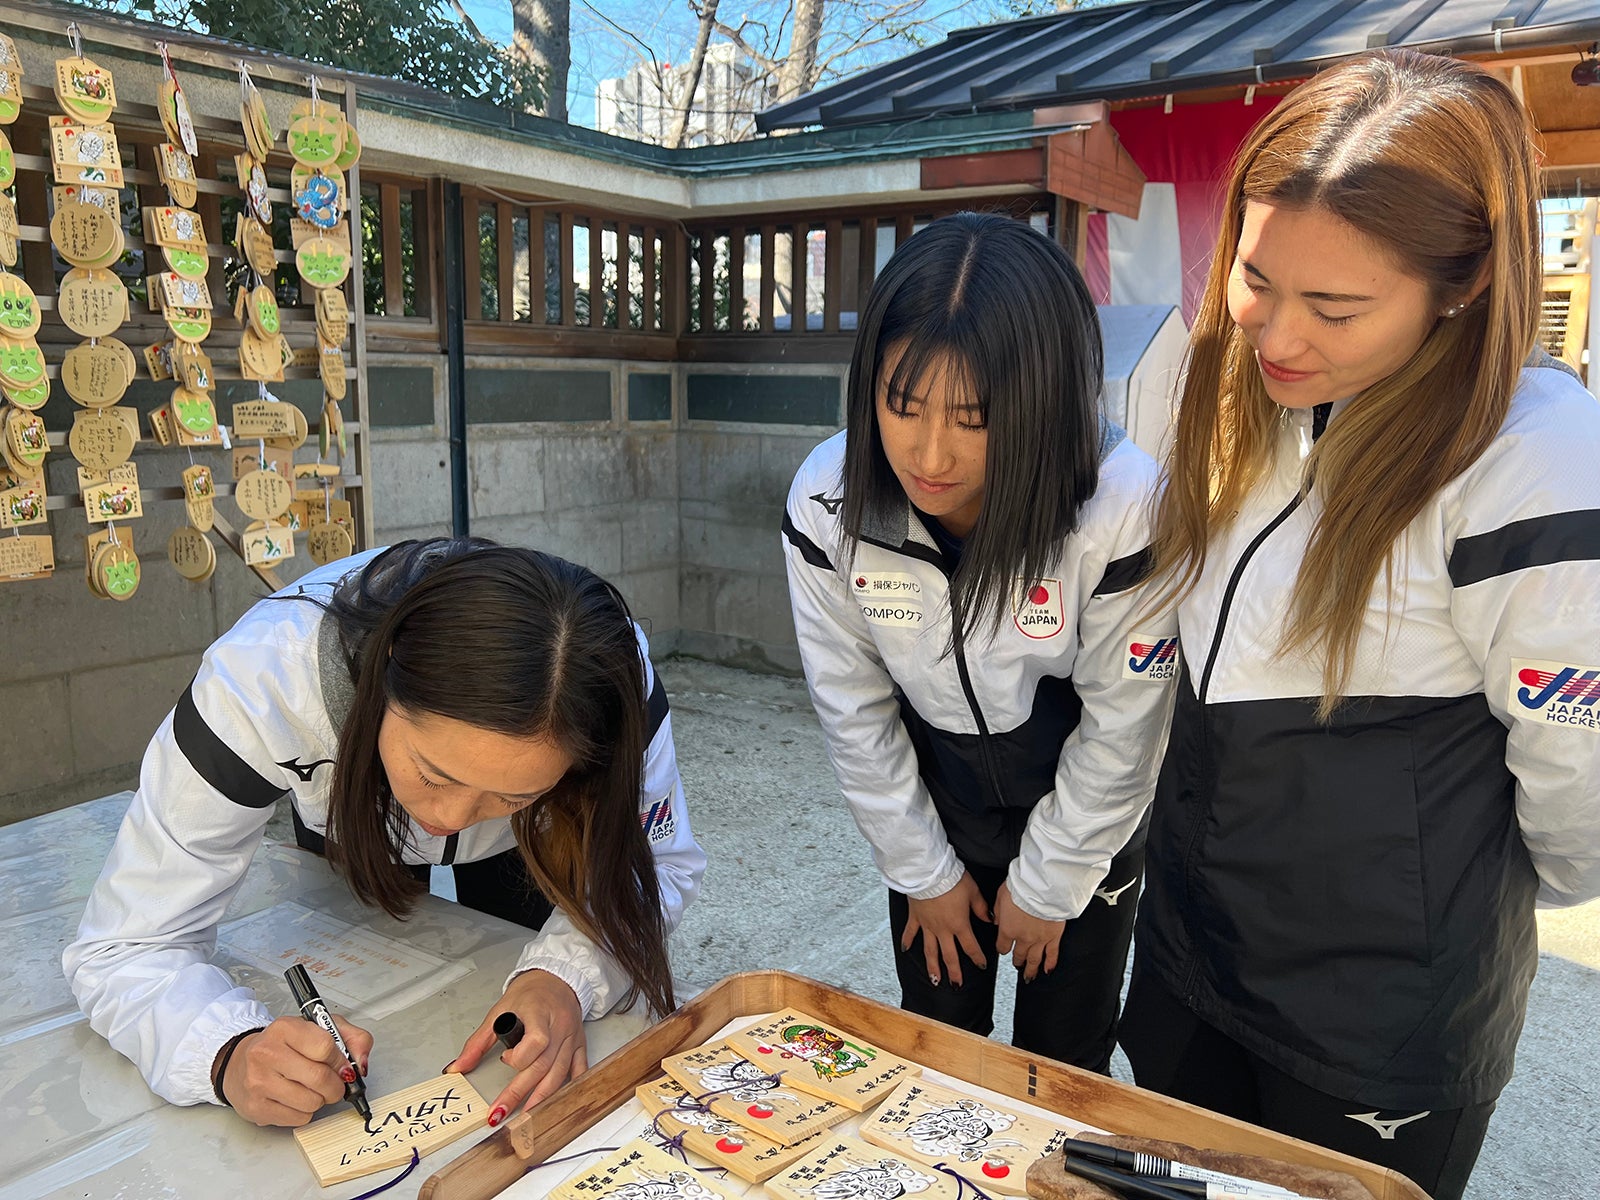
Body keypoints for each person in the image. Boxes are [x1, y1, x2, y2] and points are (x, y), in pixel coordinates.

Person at [1122, 50, 1600, 1200]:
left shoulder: (1535, 457)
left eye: (1335, 307)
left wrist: (1434, 878)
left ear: (1465, 282)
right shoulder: (1228, 392)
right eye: (1253, 277)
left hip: (1376, 1008)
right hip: (1192, 943)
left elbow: (1576, 785)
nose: (1276, 335)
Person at [65, 538, 705, 1129]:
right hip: (352, 811)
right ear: (386, 673)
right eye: (434, 773)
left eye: (515, 792)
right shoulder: (262, 686)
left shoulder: (612, 689)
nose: (451, 817)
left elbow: (656, 867)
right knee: (360, 918)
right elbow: (128, 943)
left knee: (529, 1004)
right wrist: (224, 1051)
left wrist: (565, 975)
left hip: (526, 843)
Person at [782, 212, 1176, 1071]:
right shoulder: (826, 504)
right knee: (934, 1043)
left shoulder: (1122, 504)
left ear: (1046, 399)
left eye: (975, 416)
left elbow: (1126, 725)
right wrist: (924, 873)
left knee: (1062, 1058)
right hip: (939, 799)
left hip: (1083, 809)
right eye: (902, 404)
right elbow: (853, 710)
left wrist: (1052, 883)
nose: (930, 453)